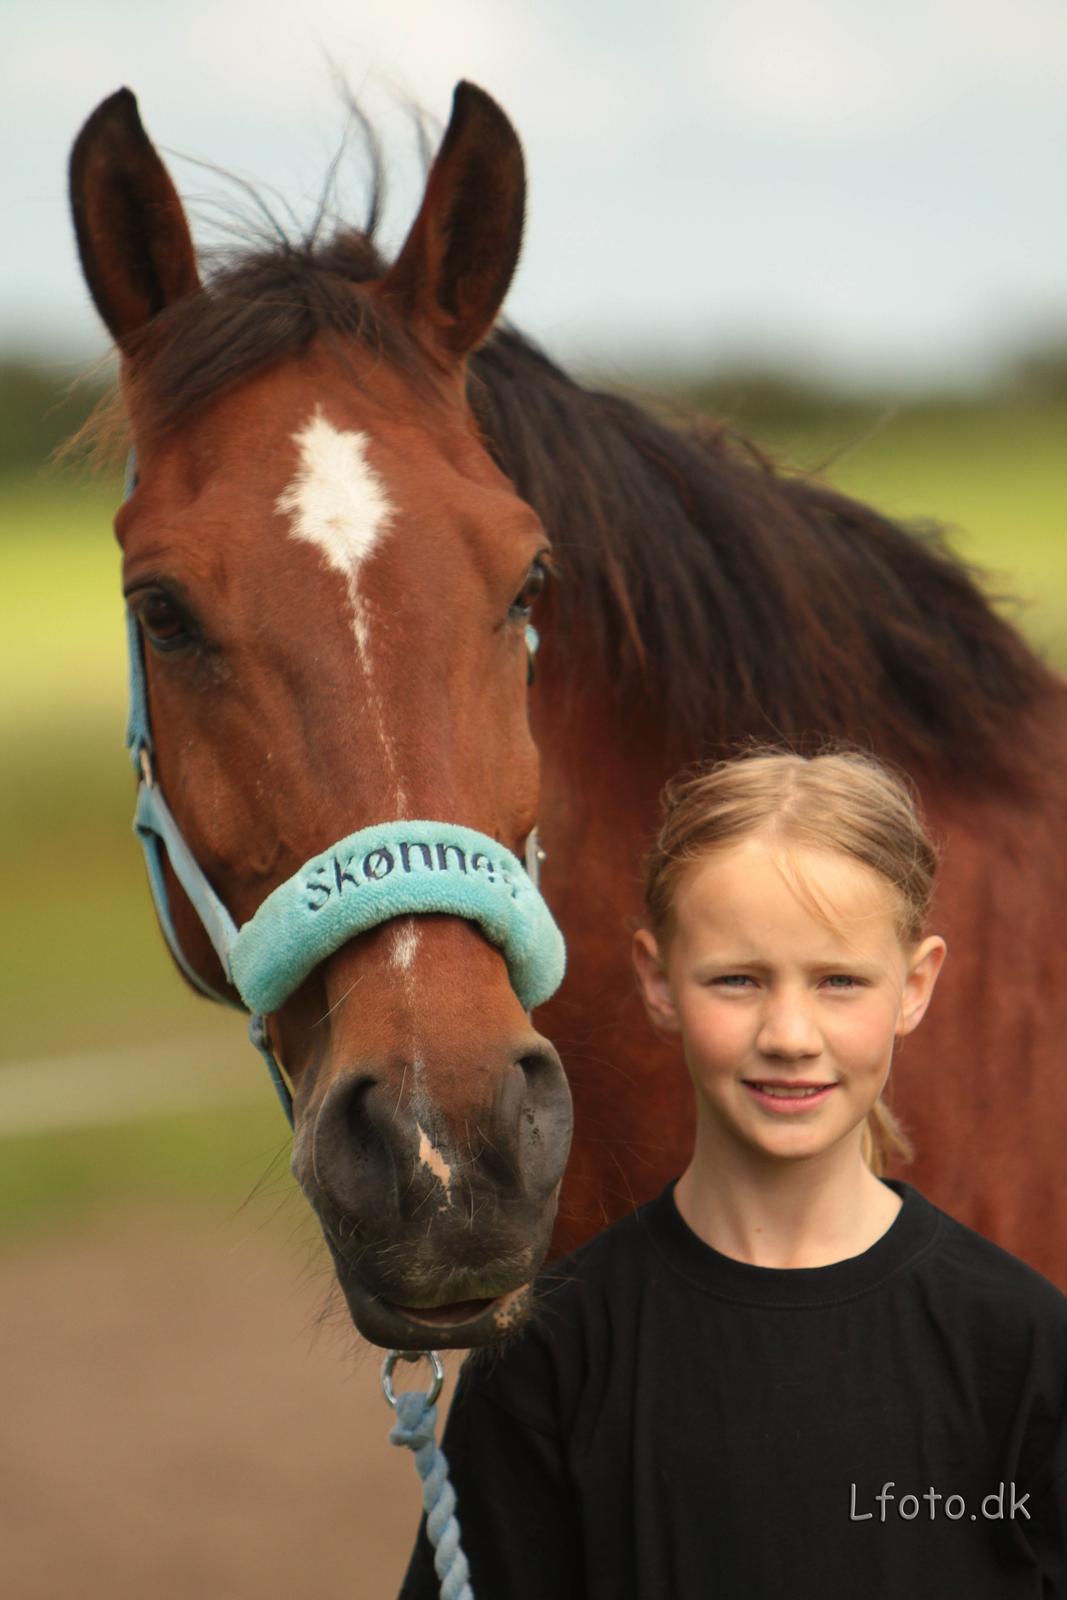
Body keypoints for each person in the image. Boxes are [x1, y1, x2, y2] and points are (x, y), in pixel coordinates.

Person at [398, 747, 1067, 1599]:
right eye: (738, 980)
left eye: (838, 981)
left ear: (915, 984)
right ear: (657, 979)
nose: (789, 1034)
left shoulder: (1020, 1345)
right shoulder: (554, 1356)